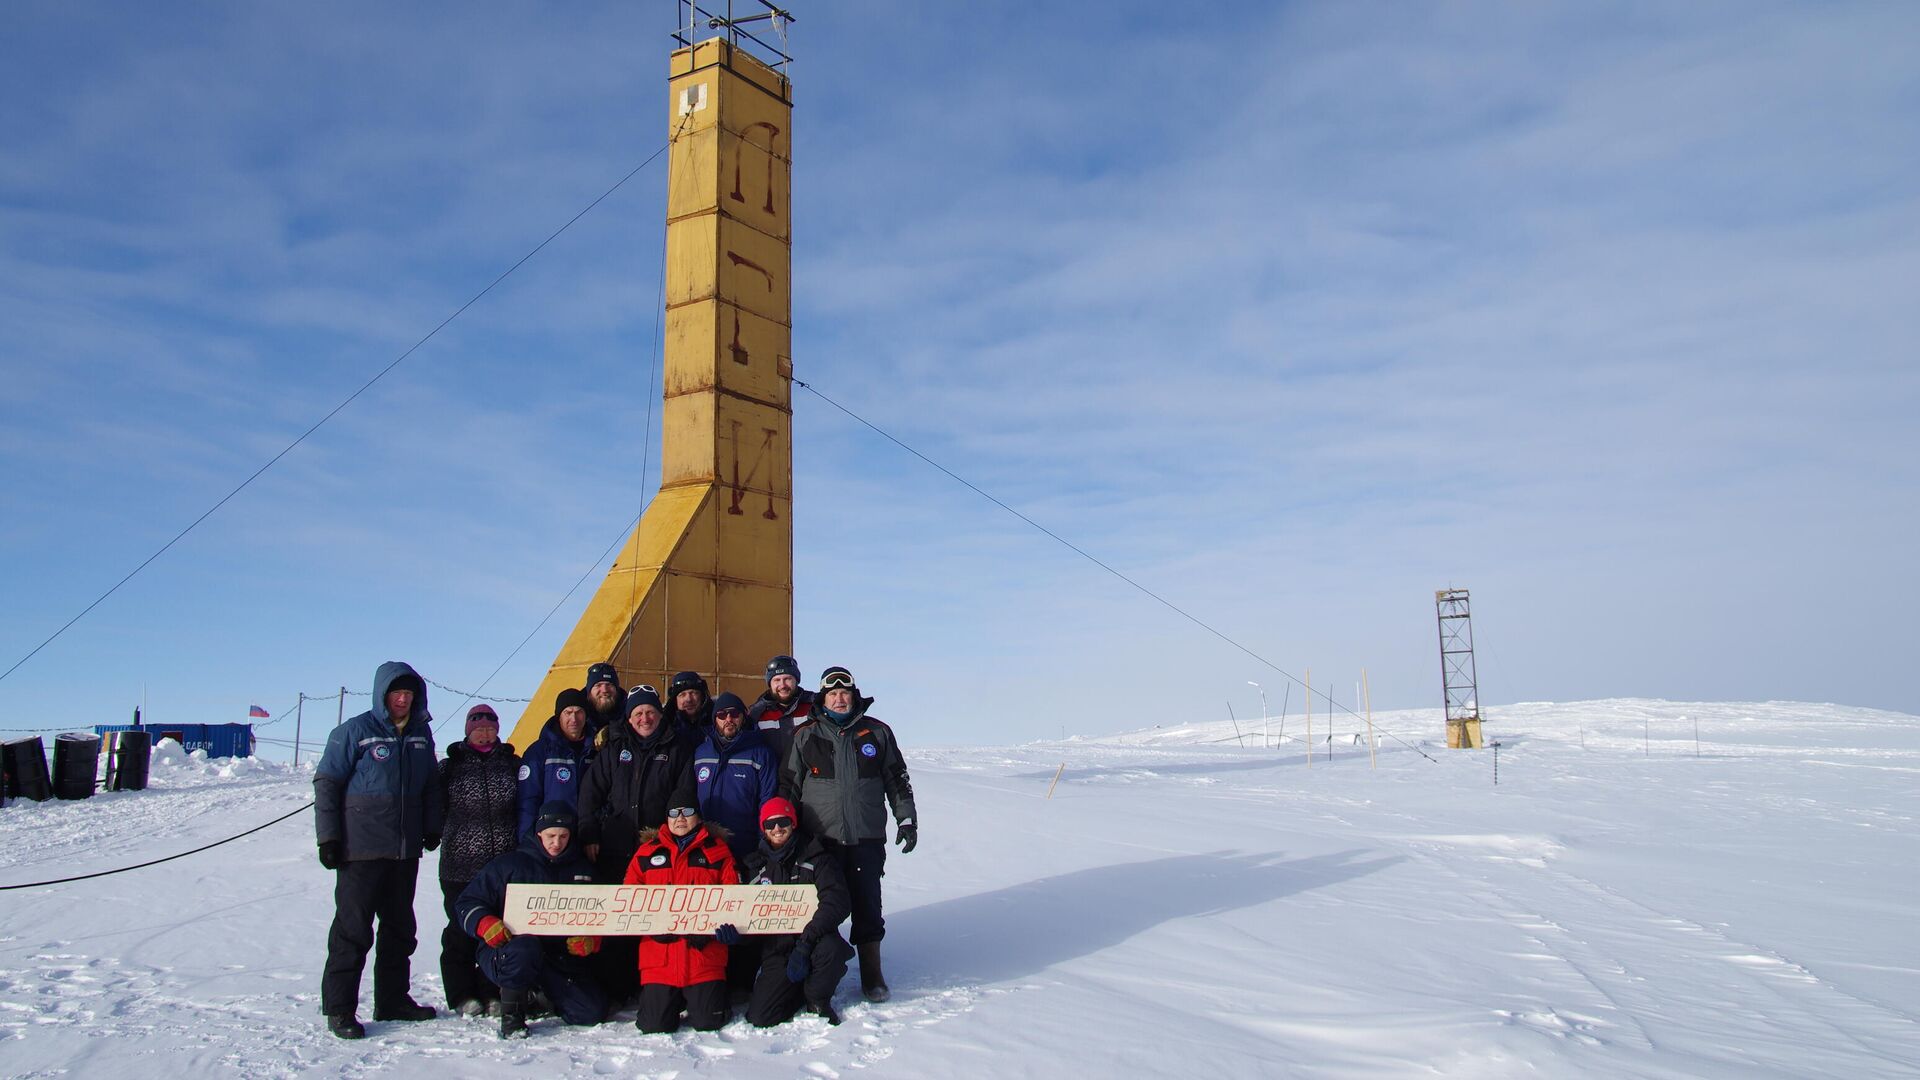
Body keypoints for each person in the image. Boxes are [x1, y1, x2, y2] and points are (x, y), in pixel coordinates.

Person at [314, 661, 444, 1039]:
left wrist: (431, 827)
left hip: (404, 851)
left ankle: (392, 999)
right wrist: (330, 839)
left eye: (409, 694)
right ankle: (339, 1009)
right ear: (382, 695)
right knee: (353, 931)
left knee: (400, 929)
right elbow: (327, 783)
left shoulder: (421, 734)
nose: (403, 700)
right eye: (396, 693)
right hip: (362, 851)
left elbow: (431, 785)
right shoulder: (354, 731)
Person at [782, 665, 917, 1002]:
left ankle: (872, 974)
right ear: (823, 699)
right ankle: (815, 970)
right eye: (833, 694)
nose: (839, 699)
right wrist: (782, 832)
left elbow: (896, 779)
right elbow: (789, 787)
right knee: (819, 906)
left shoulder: (877, 733)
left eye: (845, 693)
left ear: (854, 697)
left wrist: (906, 819)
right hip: (820, 841)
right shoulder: (806, 735)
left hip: (865, 837)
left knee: (867, 903)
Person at [576, 685, 696, 1002]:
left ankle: (654, 984)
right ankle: (617, 987)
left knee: (655, 918)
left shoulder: (677, 749)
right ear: (629, 719)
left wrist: (673, 840)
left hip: (658, 851)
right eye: (638, 713)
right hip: (615, 848)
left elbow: (683, 797)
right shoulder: (615, 750)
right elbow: (590, 793)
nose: (645, 718)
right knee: (618, 919)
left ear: (659, 715)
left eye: (650, 712)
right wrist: (589, 832)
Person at [454, 801, 607, 1038]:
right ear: (538, 834)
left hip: (558, 957)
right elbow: (467, 902)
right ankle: (512, 1018)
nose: (557, 843)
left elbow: (602, 915)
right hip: (511, 950)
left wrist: (593, 940)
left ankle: (537, 996)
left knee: (589, 1012)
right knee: (525, 948)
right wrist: (485, 924)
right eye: (551, 836)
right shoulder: (509, 865)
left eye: (564, 836)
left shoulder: (584, 871)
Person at [719, 796, 853, 1027]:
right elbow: (750, 915)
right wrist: (738, 936)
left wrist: (805, 943)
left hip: (814, 940)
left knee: (832, 950)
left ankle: (817, 998)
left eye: (782, 821)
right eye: (770, 824)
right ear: (763, 829)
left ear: (793, 823)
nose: (777, 829)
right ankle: (796, 991)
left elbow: (836, 901)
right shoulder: (755, 867)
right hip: (777, 949)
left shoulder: (816, 857)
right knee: (761, 1017)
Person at [436, 704, 522, 1017]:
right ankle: (461, 993)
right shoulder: (450, 767)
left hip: (501, 864)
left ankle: (491, 990)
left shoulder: (512, 764)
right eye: (478, 729)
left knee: (498, 929)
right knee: (461, 929)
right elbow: (435, 806)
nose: (484, 734)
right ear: (468, 731)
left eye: (489, 728)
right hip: (460, 864)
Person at [624, 801, 738, 1033]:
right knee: (654, 1025)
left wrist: (713, 930)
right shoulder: (647, 852)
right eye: (673, 813)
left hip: (703, 956)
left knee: (709, 1022)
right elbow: (628, 899)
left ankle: (708, 1000)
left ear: (698, 816)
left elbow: (733, 898)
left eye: (687, 812)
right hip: (660, 957)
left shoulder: (717, 850)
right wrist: (652, 927)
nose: (680, 818)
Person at [693, 692, 779, 863]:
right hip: (706, 845)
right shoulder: (701, 752)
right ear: (714, 719)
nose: (728, 719)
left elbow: (767, 800)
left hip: (746, 846)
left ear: (743, 717)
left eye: (734, 714)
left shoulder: (761, 753)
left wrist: (763, 842)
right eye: (722, 715)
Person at [517, 688, 597, 838]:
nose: (574, 718)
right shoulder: (539, 752)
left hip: (587, 837)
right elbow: (528, 800)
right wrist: (527, 841)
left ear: (586, 716)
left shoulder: (596, 750)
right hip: (553, 840)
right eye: (568, 712)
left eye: (579, 712)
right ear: (559, 716)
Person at [747, 654, 815, 763]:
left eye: (787, 679)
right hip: (772, 777)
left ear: (796, 680)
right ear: (770, 684)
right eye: (777, 680)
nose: (782, 685)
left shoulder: (814, 706)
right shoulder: (756, 714)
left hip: (809, 777)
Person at [581, 662, 625, 742]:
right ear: (589, 692)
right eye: (598, 685)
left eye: (609, 685)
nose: (604, 690)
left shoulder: (630, 714)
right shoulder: (576, 714)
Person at [665, 670, 713, 738]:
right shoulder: (664, 727)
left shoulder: (719, 722)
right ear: (675, 700)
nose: (689, 699)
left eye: (693, 693)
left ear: (702, 697)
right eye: (682, 695)